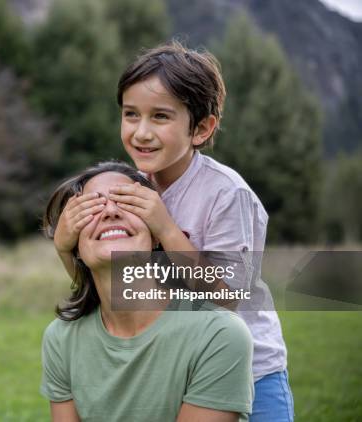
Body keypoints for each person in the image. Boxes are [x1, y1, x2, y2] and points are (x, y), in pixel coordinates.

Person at [53, 42, 293, 421]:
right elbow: (111, 285)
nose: (141, 132)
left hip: (249, 373)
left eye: (160, 117)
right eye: (131, 115)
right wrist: (65, 248)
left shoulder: (226, 194)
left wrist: (166, 228)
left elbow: (228, 299)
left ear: (201, 128)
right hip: (177, 365)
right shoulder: (134, 183)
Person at [42, 161, 254, 421]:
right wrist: (62, 248)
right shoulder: (61, 339)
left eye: (127, 203)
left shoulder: (218, 335)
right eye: (92, 207)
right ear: (75, 245)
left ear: (155, 236)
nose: (110, 211)